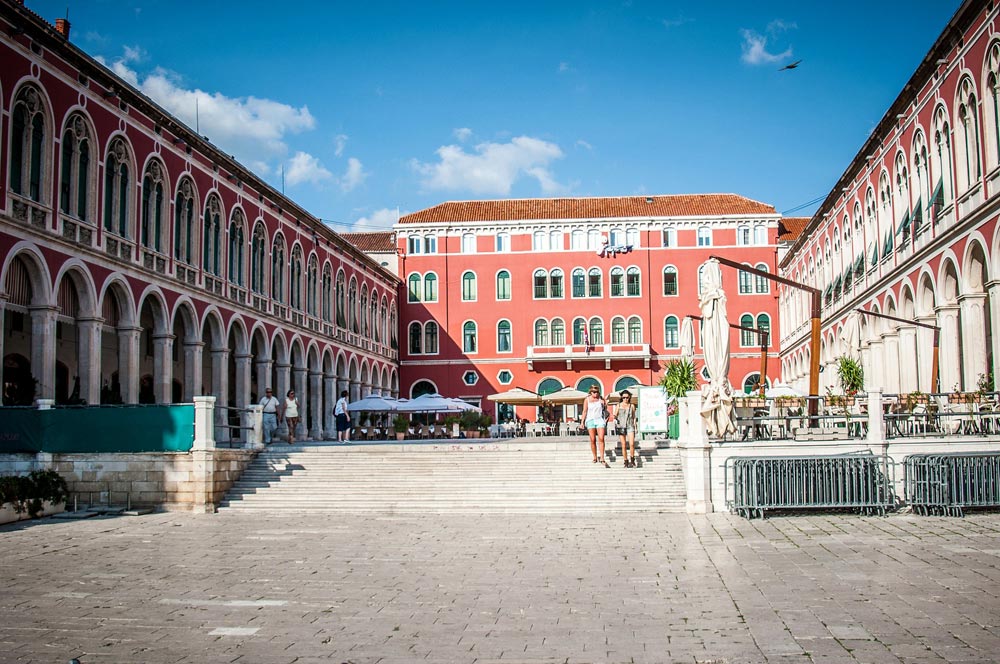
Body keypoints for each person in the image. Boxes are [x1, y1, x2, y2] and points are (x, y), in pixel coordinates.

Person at [582, 386, 609, 467]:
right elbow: (584, 411)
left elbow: (605, 410)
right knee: (592, 439)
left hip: (599, 419)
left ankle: (602, 457)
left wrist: (604, 404)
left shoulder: (601, 399)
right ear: (590, 392)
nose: (595, 393)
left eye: (597, 392)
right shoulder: (587, 400)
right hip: (590, 420)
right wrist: (582, 422)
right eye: (594, 392)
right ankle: (594, 457)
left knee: (601, 438)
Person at [613, 390, 638, 468]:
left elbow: (634, 417)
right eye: (623, 397)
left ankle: (632, 460)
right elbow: (615, 415)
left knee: (631, 444)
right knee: (623, 445)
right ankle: (625, 461)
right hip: (621, 426)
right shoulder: (618, 405)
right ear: (621, 397)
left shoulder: (632, 406)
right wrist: (615, 419)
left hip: (630, 426)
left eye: (627, 397)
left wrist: (635, 427)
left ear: (629, 397)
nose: (625, 399)